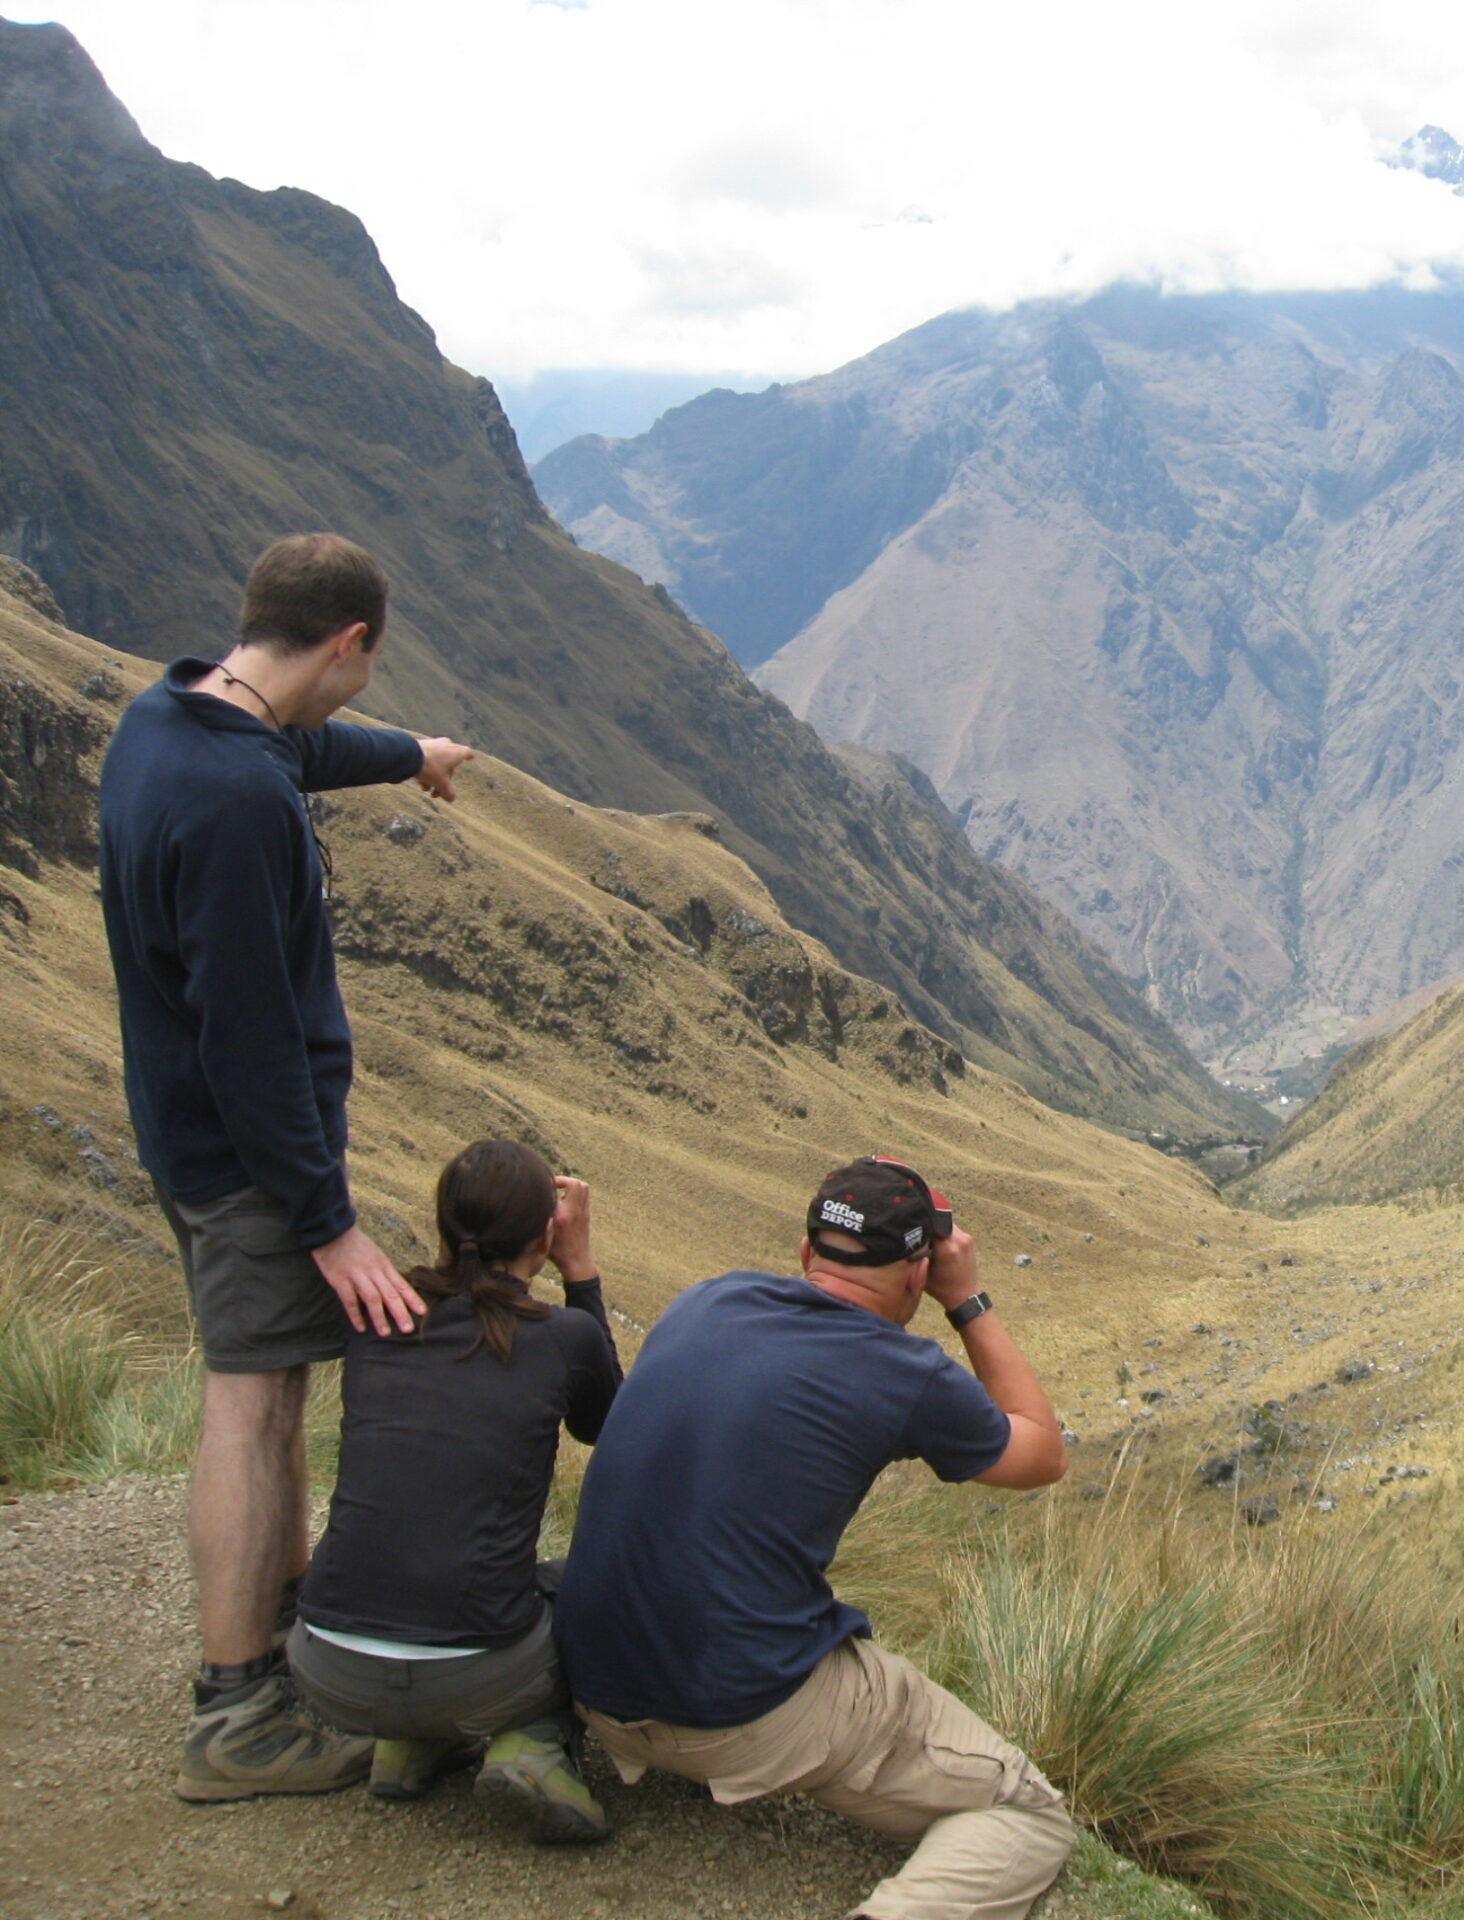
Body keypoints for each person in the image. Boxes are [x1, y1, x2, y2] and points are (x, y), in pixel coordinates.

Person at [97, 533, 475, 1802]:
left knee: (271, 1390)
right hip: (248, 1159)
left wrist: (408, 757)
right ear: (349, 642)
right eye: (373, 673)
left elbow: (301, 746)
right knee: (252, 1408)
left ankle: (287, 1633)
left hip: (187, 1138)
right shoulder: (239, 805)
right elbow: (251, 1039)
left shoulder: (171, 721)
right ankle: (238, 1715)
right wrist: (327, 1223)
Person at [558, 1158, 1076, 1920]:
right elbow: (1042, 1456)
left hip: (591, 1684)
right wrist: (967, 1300)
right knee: (1030, 1815)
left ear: (808, 1254)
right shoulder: (907, 1371)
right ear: (915, 1275)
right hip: (740, 1715)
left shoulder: (707, 1297)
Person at [286, 1141, 622, 1842]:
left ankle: (408, 1746)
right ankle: (532, 1745)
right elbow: (609, 1429)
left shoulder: (376, 1318)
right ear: (545, 1236)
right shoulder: (563, 1337)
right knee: (585, 1590)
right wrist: (581, 1270)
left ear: (443, 1227)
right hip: (479, 1674)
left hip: (326, 1665)